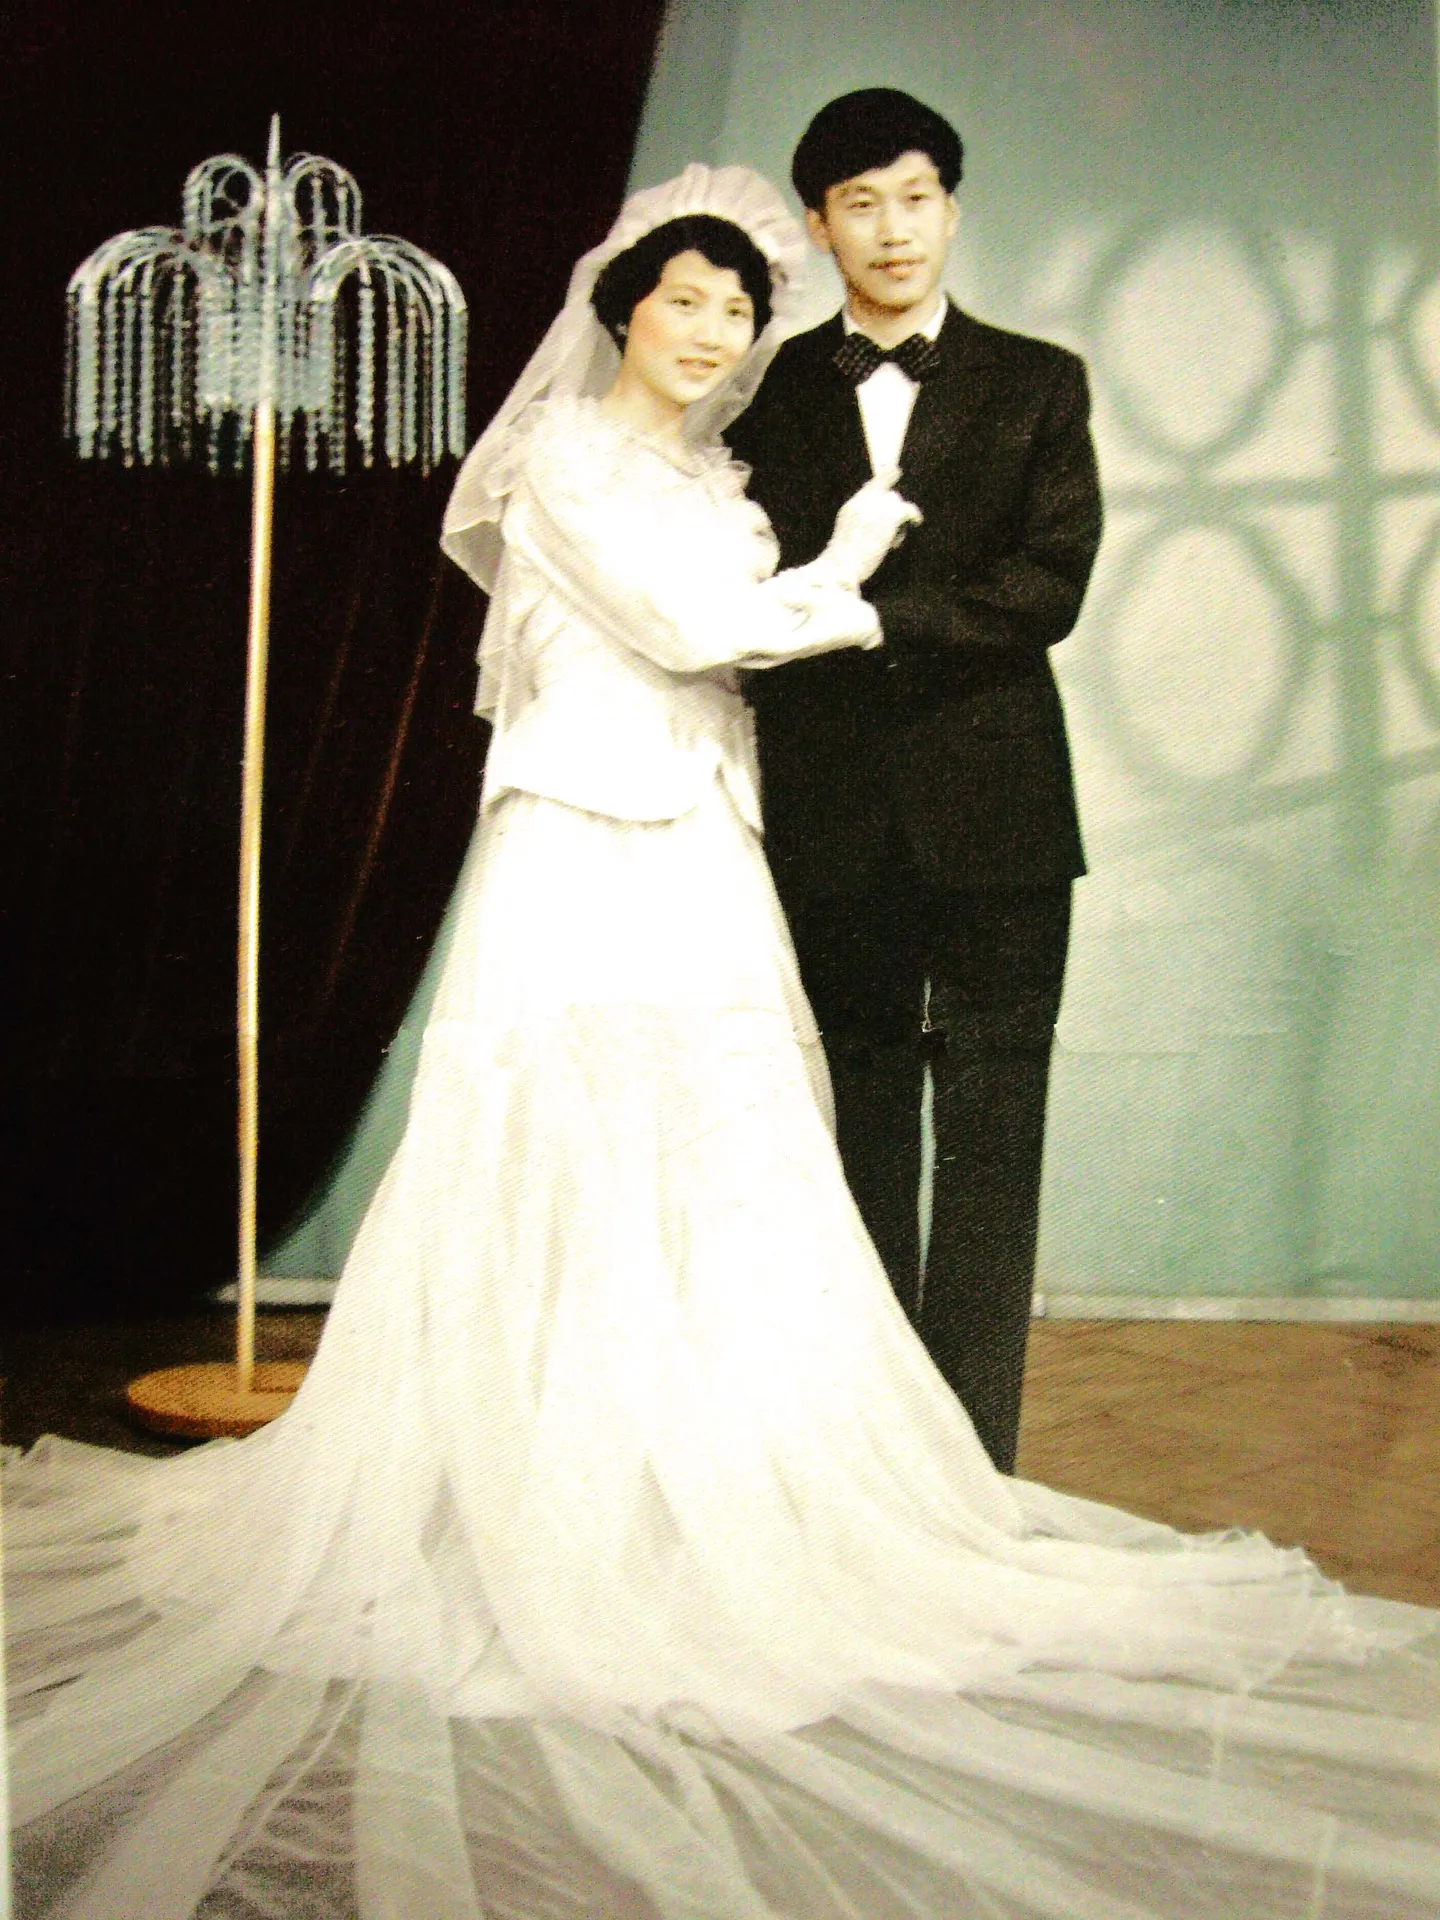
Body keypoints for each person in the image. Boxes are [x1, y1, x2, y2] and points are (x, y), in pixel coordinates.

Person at [6, 166, 1439, 1920]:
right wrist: (855, 570)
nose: (714, 331)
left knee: (725, 1163)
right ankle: (544, 1506)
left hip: (702, 840)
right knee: (567, 1153)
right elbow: (693, 632)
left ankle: (700, 1490)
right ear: (621, 307)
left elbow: (739, 651)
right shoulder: (559, 465)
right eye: (685, 301)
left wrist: (834, 564)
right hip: (585, 844)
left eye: (741, 308)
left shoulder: (712, 472)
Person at [729, 90, 1099, 1474]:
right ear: (818, 226)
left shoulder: (1041, 380)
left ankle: (977, 1462)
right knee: (864, 1125)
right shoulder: (764, 390)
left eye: (917, 197)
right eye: (861, 204)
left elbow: (1048, 587)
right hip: (828, 811)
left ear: (951, 208)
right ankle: (879, 1464)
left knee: (998, 1124)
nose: (893, 229)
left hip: (1003, 814)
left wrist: (875, 620)